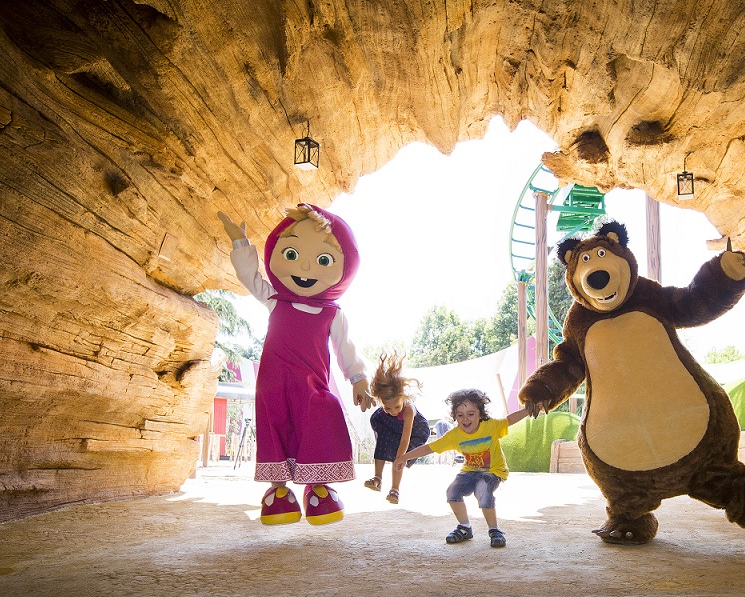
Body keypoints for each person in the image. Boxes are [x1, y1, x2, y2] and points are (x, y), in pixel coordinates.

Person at [217, 205, 374, 526]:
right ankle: (278, 492)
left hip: (313, 385)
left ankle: (318, 487)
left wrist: (358, 378)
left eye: (323, 260)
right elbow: (250, 277)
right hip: (273, 384)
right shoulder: (275, 299)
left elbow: (346, 348)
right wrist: (241, 245)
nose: (304, 266)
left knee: (322, 417)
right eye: (292, 254)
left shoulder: (333, 314)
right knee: (276, 428)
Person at [398, 389, 530, 548]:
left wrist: (529, 409)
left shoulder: (491, 426)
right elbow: (430, 448)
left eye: (471, 414)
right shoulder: (454, 435)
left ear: (480, 414)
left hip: (493, 471)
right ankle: (464, 527)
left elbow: (509, 420)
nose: (465, 419)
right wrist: (405, 456)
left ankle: (495, 530)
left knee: (482, 490)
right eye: (460, 415)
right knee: (452, 492)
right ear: (455, 417)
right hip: (469, 471)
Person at [365, 351, 431, 504]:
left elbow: (405, 439)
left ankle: (395, 489)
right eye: (388, 408)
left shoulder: (408, 409)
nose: (393, 411)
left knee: (399, 456)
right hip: (394, 428)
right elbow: (383, 418)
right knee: (382, 436)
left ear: (403, 397)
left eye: (396, 406)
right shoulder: (384, 414)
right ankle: (378, 478)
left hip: (414, 432)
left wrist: (400, 458)